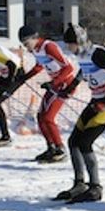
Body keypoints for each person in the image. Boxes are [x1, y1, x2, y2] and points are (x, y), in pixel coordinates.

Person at [53, 24, 105, 204]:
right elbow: (82, 72)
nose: (69, 49)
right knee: (73, 141)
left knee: (85, 142)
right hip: (96, 100)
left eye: (71, 44)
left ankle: (95, 187)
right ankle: (79, 184)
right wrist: (68, 89)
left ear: (80, 41)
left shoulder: (97, 53)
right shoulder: (84, 55)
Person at [18, 25, 79, 163]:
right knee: (40, 116)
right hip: (55, 84)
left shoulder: (48, 46)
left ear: (34, 38)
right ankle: (51, 147)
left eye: (27, 44)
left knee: (48, 117)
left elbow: (68, 68)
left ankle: (60, 149)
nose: (27, 48)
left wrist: (54, 82)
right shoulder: (36, 49)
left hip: (65, 85)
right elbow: (39, 66)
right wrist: (25, 77)